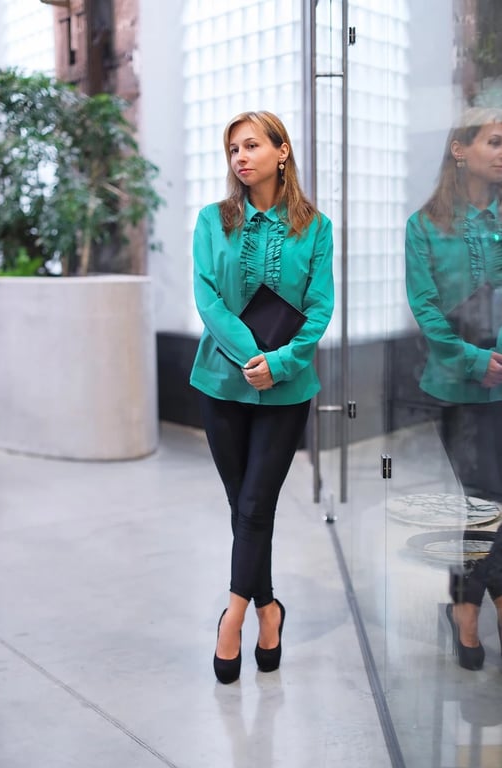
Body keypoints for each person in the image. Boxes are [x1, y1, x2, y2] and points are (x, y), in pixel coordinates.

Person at [189, 110, 334, 684]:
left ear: (282, 151)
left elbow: (319, 307)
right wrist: (252, 355)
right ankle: (270, 608)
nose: (240, 158)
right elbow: (207, 297)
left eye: (251, 145)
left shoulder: (315, 227)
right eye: (232, 150)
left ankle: (234, 617)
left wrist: (279, 364)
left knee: (254, 507)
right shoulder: (211, 220)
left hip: (288, 389)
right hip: (220, 385)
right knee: (246, 509)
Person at [405, 107, 502, 670]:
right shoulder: (424, 225)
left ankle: (479, 595)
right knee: (485, 502)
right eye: (494, 140)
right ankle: (466, 609)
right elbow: (424, 307)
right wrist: (474, 358)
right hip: (458, 385)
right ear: (460, 150)